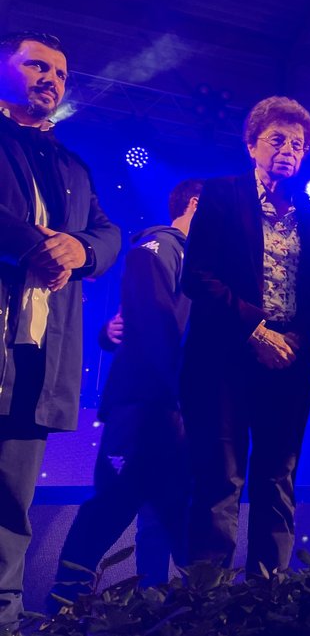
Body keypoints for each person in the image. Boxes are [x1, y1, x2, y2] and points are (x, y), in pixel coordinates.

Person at [180, 96, 310, 573]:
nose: (288, 151)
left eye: (298, 145)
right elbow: (199, 276)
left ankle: (267, 596)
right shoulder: (220, 194)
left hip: (290, 364)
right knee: (221, 480)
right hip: (224, 360)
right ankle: (206, 600)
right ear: (251, 145)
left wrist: (296, 338)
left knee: (277, 478)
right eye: (277, 140)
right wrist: (255, 330)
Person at [0, 31, 121, 626]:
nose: (51, 79)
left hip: (39, 353)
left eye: (61, 73)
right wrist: (35, 246)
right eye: (36, 66)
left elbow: (109, 233)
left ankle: (4, 618)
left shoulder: (73, 164)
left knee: (12, 502)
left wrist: (80, 249)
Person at [51, 179, 201, 603]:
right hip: (147, 405)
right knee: (117, 502)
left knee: (171, 506)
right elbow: (153, 324)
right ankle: (65, 601)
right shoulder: (160, 246)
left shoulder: (192, 258)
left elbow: (143, 323)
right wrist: (173, 392)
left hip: (168, 403)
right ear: (194, 204)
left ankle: (163, 602)